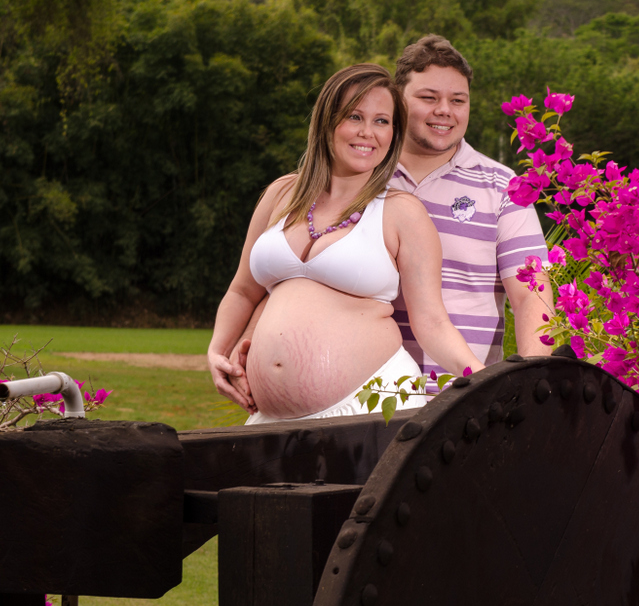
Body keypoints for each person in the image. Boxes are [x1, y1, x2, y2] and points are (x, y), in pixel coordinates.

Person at [207, 64, 484, 421]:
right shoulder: (280, 195)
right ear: (326, 122)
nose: (368, 132)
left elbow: (431, 322)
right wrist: (217, 351)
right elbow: (242, 291)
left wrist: (479, 377)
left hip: (371, 408)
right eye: (355, 116)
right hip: (271, 417)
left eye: (382, 121)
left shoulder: (401, 212)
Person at [387, 35, 553, 383]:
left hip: (464, 399)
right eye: (428, 97)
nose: (444, 110)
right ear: (397, 100)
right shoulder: (363, 178)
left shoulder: (505, 186)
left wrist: (526, 383)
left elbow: (531, 296)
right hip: (369, 396)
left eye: (457, 100)